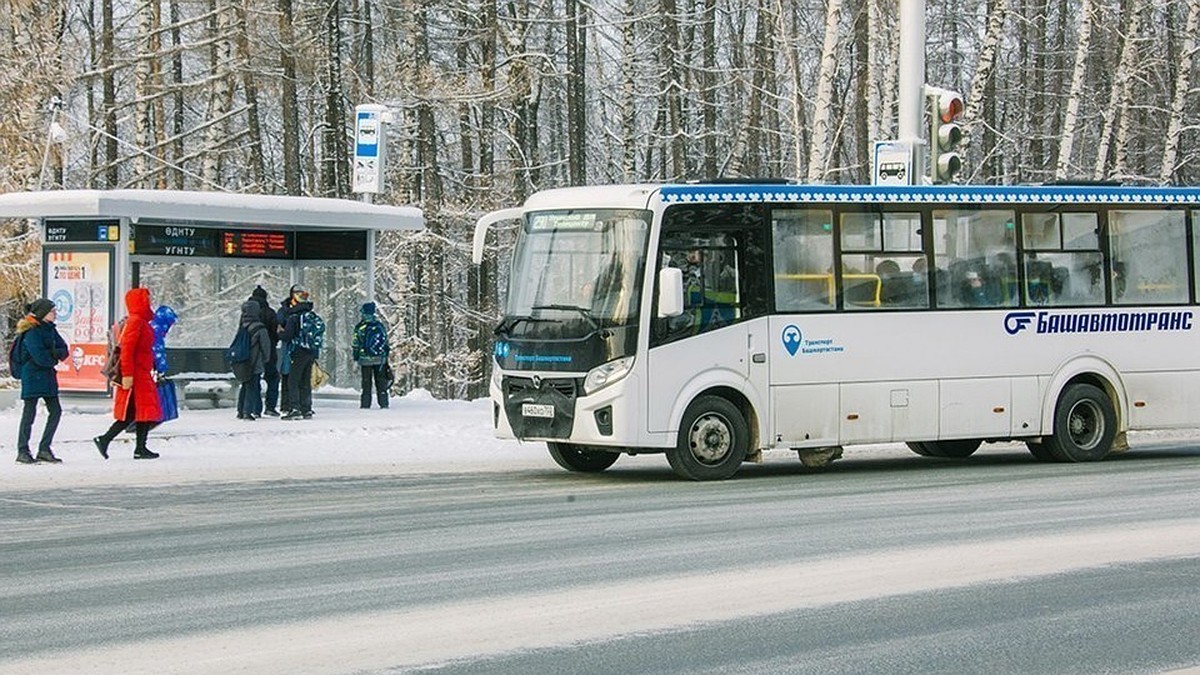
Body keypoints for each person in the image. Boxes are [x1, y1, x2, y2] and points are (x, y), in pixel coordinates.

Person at [93, 287, 163, 460]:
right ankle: (106, 439)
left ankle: (139, 447)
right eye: (147, 299)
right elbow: (127, 350)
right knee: (133, 413)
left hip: (141, 373)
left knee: (142, 413)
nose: (150, 302)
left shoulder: (140, 321)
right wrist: (128, 375)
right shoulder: (136, 322)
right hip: (136, 375)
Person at [13, 298, 69, 464]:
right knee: (29, 413)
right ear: (43, 313)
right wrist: (54, 356)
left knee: (56, 411)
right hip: (32, 376)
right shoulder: (32, 331)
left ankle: (45, 448)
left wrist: (53, 354)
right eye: (52, 311)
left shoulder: (50, 329)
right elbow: (40, 357)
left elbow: (64, 349)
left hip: (47, 377)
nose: (55, 314)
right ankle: (22, 450)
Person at [279, 285, 319, 420]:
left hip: (297, 352)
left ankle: (294, 408)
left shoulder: (293, 316)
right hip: (310, 352)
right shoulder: (311, 315)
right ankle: (306, 409)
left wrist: (280, 332)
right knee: (305, 381)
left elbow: (287, 335)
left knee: (293, 380)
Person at [234, 299, 273, 420]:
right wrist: (266, 360)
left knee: (245, 385)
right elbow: (266, 347)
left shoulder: (242, 326)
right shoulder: (259, 327)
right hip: (255, 362)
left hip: (242, 361)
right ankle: (248, 412)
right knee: (253, 386)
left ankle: (240, 411)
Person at [351, 302, 390, 409]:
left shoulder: (360, 327)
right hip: (380, 359)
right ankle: (384, 403)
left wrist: (355, 359)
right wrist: (385, 357)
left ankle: (365, 404)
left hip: (365, 359)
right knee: (381, 382)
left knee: (366, 382)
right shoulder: (380, 326)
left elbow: (356, 344)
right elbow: (386, 343)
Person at [249, 286, 280, 416]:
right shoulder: (270, 312)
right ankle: (270, 407)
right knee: (273, 378)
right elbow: (276, 332)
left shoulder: (248, 313)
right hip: (270, 350)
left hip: (253, 353)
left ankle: (256, 408)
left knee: (254, 379)